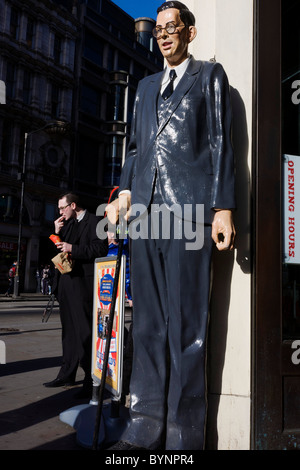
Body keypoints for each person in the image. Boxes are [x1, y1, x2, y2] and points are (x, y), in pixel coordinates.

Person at [106, 1, 236, 450]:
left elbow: (221, 142)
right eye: (158, 29)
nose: (163, 35)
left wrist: (223, 208)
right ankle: (144, 420)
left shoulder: (210, 77)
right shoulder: (143, 87)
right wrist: (124, 193)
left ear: (190, 32)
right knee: (147, 325)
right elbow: (137, 148)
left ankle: (184, 432)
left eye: (171, 27)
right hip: (144, 213)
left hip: (190, 213)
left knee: (187, 326)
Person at [43, 192, 108, 398]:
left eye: (63, 208)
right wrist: (56, 233)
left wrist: (73, 248)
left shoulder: (95, 221)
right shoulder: (66, 224)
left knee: (85, 331)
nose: (60, 212)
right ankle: (67, 373)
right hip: (65, 283)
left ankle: (90, 381)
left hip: (82, 284)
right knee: (68, 331)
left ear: (73, 205)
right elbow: (56, 254)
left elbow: (101, 248)